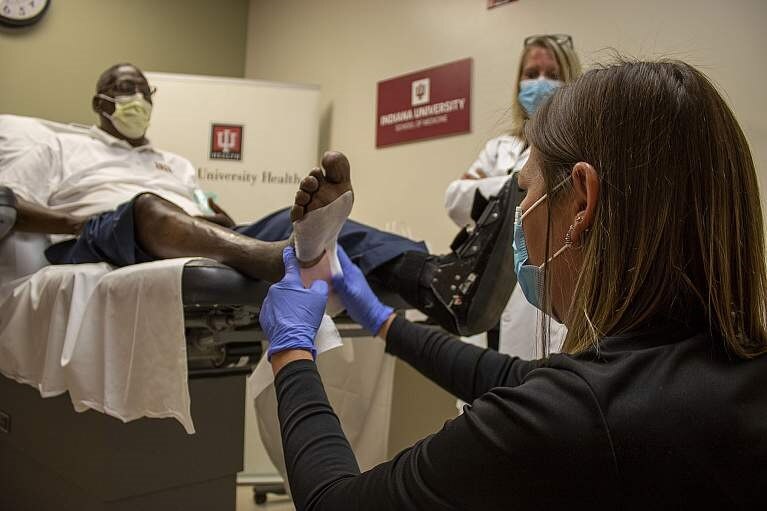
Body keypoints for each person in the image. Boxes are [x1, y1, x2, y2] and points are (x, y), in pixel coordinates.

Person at [259, 59, 767, 509]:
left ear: (582, 202)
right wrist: (381, 320)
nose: (519, 215)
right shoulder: (729, 370)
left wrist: (291, 350)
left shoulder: (574, 417)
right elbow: (503, 375)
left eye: (525, 191)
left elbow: (335, 503)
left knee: (271, 228)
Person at [0, 63, 518, 336]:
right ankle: (286, 258)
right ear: (100, 100)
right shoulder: (65, 146)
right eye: (122, 88)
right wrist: (78, 222)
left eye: (141, 89)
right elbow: (13, 202)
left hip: (183, 229)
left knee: (331, 229)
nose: (135, 97)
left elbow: (205, 206)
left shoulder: (174, 163)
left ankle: (442, 283)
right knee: (147, 206)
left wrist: (214, 216)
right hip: (106, 234)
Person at [446, 34, 581, 358]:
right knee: (480, 389)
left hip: (543, 303)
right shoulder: (502, 147)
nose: (541, 83)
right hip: (486, 294)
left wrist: (493, 186)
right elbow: (455, 200)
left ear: (572, 82)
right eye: (531, 75)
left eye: (553, 74)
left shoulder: (579, 147)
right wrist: (519, 185)